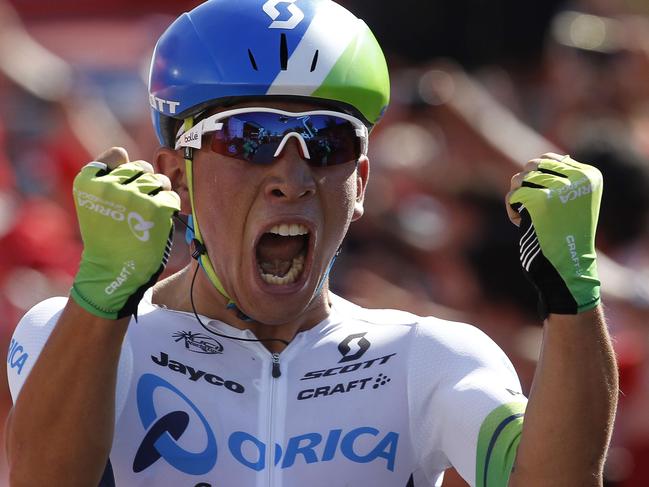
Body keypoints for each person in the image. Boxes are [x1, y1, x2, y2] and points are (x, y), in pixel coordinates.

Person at [5, 0, 618, 486]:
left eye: (328, 143)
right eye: (247, 138)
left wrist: (573, 294)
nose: (291, 178)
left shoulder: (428, 358)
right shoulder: (76, 334)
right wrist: (102, 297)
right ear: (175, 178)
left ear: (361, 185)